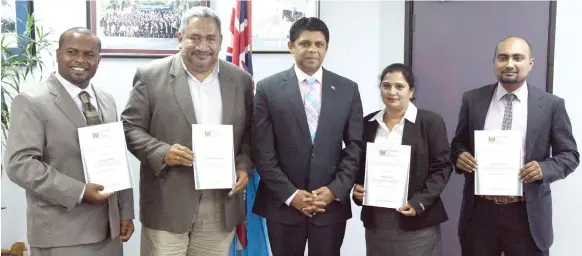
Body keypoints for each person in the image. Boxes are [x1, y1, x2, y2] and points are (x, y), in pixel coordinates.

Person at [120, 6, 254, 256]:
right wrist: (162, 152)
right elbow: (129, 127)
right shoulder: (150, 76)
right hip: (167, 203)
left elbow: (250, 133)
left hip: (220, 203)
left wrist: (244, 165)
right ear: (180, 37)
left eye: (210, 38)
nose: (203, 46)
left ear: (220, 41)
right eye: (195, 37)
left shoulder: (240, 80)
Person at [3, 27, 135, 255]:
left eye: (89, 54)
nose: (80, 60)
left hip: (109, 233)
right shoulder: (32, 102)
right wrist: (80, 191)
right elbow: (19, 164)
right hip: (61, 233)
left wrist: (125, 212)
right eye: (71, 52)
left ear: (98, 59)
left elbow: (116, 158)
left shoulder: (107, 100)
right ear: (57, 54)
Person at [451, 36, 579, 256]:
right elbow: (458, 143)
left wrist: (544, 169)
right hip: (481, 213)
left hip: (527, 214)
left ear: (530, 64)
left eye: (517, 57)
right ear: (494, 62)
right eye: (503, 57)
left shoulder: (551, 105)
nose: (510, 64)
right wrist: (460, 156)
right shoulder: (473, 100)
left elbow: (569, 155)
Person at [252, 17, 364, 256]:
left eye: (319, 44)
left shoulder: (347, 89)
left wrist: (335, 190)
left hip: (329, 206)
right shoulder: (267, 89)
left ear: (326, 47)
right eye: (305, 43)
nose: (312, 50)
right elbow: (262, 150)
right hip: (282, 204)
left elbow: (355, 146)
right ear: (291, 46)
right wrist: (291, 195)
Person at [352, 63, 453, 256]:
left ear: (411, 91)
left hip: (416, 220)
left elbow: (442, 167)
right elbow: (358, 165)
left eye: (399, 86)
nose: (392, 92)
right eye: (386, 85)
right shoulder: (368, 123)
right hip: (377, 223)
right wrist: (356, 189)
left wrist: (419, 202)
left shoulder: (430, 122)